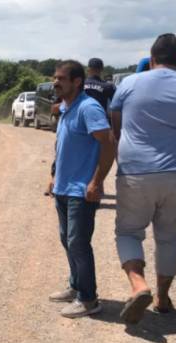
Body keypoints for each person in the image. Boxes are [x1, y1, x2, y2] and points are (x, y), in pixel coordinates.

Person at [110, 33, 176, 324]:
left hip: (136, 171)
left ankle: (139, 285)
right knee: (169, 236)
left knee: (129, 231)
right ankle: (162, 298)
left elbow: (116, 119)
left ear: (152, 57)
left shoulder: (129, 83)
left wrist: (123, 144)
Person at [47, 60, 114, 319]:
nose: (56, 82)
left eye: (61, 78)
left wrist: (96, 181)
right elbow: (62, 145)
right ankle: (76, 285)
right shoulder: (66, 107)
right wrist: (53, 175)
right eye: (55, 78)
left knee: (78, 243)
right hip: (64, 186)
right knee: (67, 240)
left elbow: (108, 144)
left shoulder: (89, 108)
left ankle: (88, 299)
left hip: (81, 190)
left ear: (77, 81)